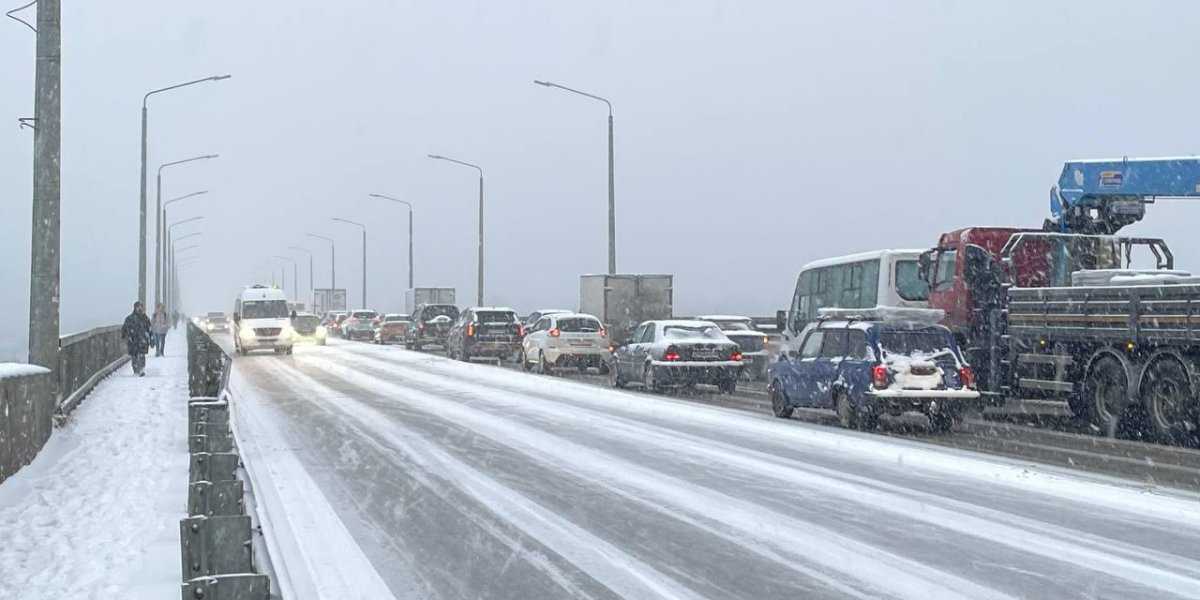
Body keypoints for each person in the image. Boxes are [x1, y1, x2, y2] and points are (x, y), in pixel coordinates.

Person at [121, 301, 153, 376]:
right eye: (138, 307)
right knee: (134, 356)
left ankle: (141, 369)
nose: (140, 308)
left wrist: (151, 338)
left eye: (141, 306)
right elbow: (124, 328)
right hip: (133, 340)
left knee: (141, 355)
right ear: (135, 308)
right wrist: (124, 335)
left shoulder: (145, 318)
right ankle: (136, 370)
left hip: (142, 340)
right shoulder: (129, 318)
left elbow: (149, 328)